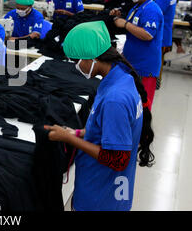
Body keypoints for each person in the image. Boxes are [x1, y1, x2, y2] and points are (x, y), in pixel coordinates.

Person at [45, 20, 154, 211]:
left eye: (76, 61)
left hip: (101, 195)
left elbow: (118, 159)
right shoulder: (121, 77)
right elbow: (107, 128)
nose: (75, 66)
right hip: (114, 189)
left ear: (93, 58)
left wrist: (68, 139)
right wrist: (78, 133)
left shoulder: (115, 100)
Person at [111, 0, 164, 110]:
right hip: (133, 60)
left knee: (143, 102)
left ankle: (143, 129)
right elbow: (134, 25)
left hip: (145, 66)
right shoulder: (137, 7)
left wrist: (125, 24)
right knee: (132, 100)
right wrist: (120, 15)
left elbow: (147, 35)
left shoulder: (152, 10)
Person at [154, 0, 176, 85]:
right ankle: (158, 79)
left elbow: (155, 12)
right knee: (160, 58)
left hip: (162, 32)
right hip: (166, 30)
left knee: (158, 58)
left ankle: (157, 81)